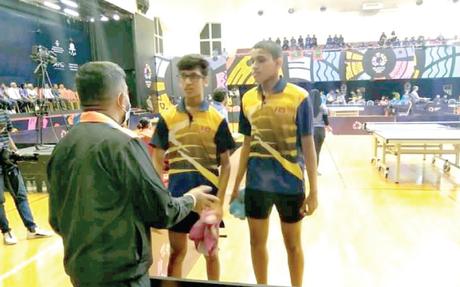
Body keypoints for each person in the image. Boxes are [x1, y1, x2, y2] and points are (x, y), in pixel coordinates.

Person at [47, 61, 220, 287]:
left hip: (80, 272)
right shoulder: (125, 145)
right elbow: (161, 211)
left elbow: (55, 220)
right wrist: (191, 199)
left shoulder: (63, 146)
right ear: (121, 99)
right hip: (122, 275)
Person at [230, 40, 318, 287]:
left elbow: (309, 147)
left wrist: (314, 192)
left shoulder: (299, 97)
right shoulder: (247, 99)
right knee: (256, 243)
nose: (254, 66)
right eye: (251, 61)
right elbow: (246, 146)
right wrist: (236, 185)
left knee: (293, 246)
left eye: (260, 60)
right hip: (257, 185)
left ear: (278, 63)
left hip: (290, 185)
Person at [150, 55, 234, 281]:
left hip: (208, 200)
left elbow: (226, 165)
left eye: (194, 77)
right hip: (178, 198)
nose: (188, 82)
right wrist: (162, 195)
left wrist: (220, 202)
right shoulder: (167, 118)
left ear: (205, 80)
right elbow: (157, 157)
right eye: (184, 77)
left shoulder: (217, 119)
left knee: (211, 254)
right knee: (176, 254)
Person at [0, 109, 52, 245]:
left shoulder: (3, 113)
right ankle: (6, 231)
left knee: (21, 195)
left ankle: (32, 228)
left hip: (9, 161)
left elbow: (7, 136)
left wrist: (16, 151)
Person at [310, 89, 332, 173]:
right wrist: (328, 126)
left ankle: (308, 168)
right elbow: (325, 119)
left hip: (309, 131)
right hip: (319, 131)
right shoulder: (323, 106)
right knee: (317, 151)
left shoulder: (307, 106)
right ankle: (315, 170)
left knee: (308, 151)